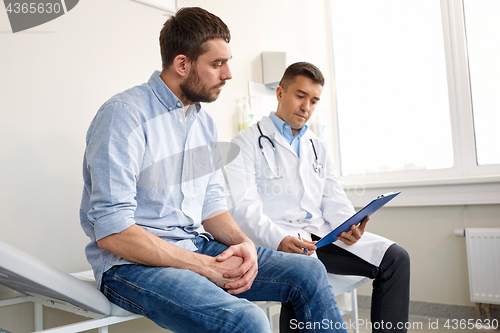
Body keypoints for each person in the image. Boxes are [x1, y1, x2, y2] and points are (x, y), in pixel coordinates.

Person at [80, 7, 348, 333]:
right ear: (182, 64)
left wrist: (244, 243)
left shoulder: (203, 123)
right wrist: (204, 266)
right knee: (248, 320)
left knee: (309, 271)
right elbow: (113, 232)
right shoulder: (124, 116)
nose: (229, 74)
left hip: (195, 246)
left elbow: (212, 206)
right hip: (130, 267)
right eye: (217, 64)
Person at [229, 62, 411, 333]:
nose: (307, 107)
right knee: (302, 272)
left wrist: (349, 225)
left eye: (314, 101)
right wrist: (279, 239)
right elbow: (243, 209)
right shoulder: (245, 143)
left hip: (319, 237)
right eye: (300, 96)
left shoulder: (317, 146)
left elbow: (333, 198)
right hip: (275, 240)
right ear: (280, 93)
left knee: (396, 258)